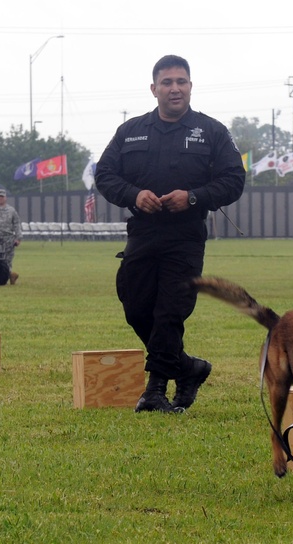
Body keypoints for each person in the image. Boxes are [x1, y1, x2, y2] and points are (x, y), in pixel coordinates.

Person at [95, 54, 247, 413]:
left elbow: (233, 180)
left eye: (181, 81)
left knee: (169, 312)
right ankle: (189, 368)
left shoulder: (212, 132)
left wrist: (193, 197)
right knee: (135, 308)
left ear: (191, 87)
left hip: (185, 236)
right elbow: (104, 175)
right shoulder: (130, 130)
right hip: (142, 233)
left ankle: (155, 391)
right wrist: (133, 195)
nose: (174, 88)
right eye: (167, 82)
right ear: (154, 89)